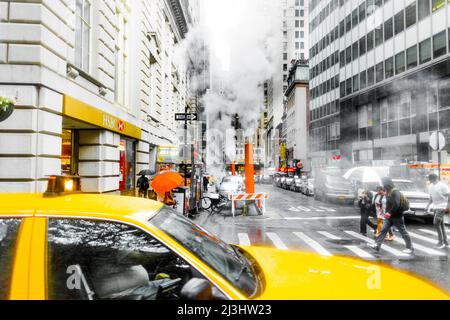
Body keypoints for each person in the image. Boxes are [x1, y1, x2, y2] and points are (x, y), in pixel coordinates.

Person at [370, 178, 414, 254]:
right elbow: (388, 204)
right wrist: (386, 212)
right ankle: (377, 245)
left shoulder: (395, 192)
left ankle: (410, 248)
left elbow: (397, 204)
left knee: (403, 232)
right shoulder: (388, 192)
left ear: (388, 184)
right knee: (383, 230)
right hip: (389, 217)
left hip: (397, 216)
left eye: (384, 184)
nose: (383, 186)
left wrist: (389, 212)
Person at [426, 174, 450, 249]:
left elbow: (449, 196)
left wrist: (448, 206)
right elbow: (431, 197)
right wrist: (427, 206)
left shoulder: (442, 186)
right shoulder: (430, 186)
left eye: (429, 179)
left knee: (436, 223)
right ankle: (446, 242)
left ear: (434, 178)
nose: (429, 180)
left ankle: (441, 242)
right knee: (441, 224)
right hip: (435, 207)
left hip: (442, 206)